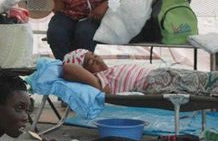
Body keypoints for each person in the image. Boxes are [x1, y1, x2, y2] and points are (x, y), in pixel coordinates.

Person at [62, 48, 218, 96]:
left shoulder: (109, 71)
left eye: (95, 55)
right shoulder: (98, 79)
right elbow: (68, 69)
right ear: (85, 71)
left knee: (202, 80)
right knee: (204, 82)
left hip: (159, 75)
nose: (97, 60)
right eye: (90, 62)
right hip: (154, 81)